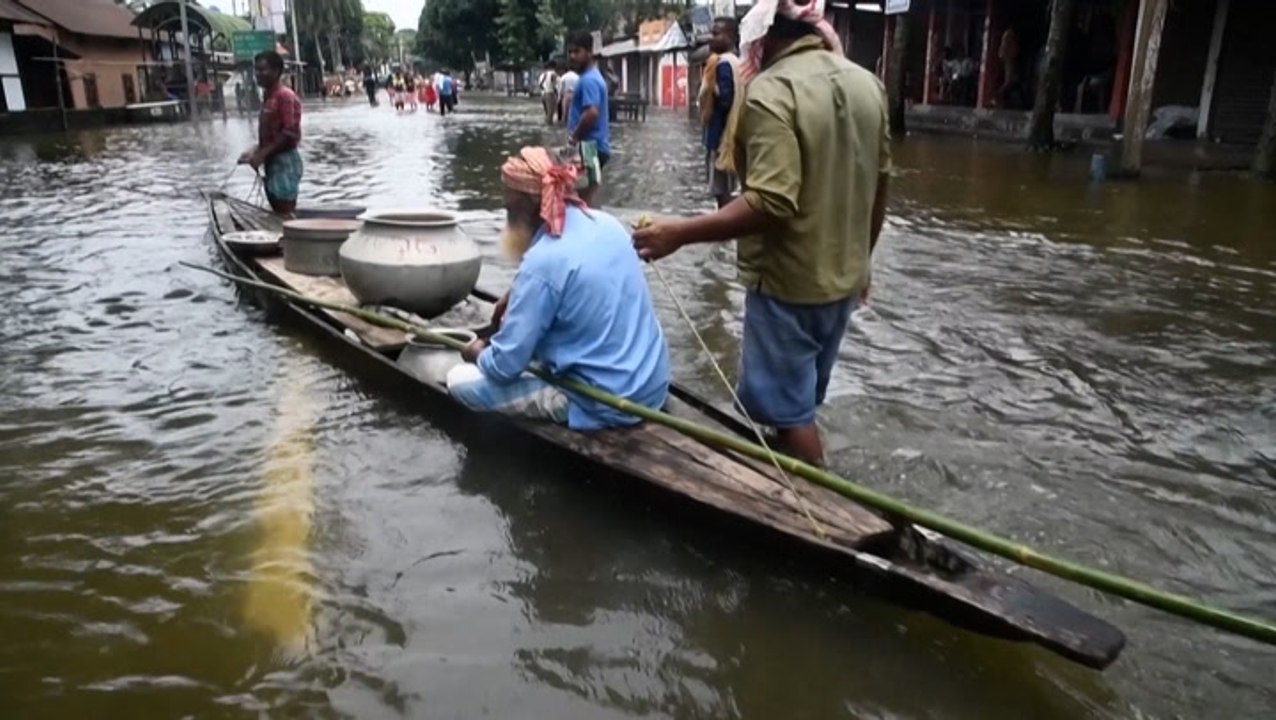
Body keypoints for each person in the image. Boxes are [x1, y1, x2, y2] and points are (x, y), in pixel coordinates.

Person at [632, 0, 891, 467]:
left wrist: (681, 234)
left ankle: (822, 510)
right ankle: (793, 483)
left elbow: (772, 200)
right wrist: (863, 262)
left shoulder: (773, 90)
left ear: (765, 40)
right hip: (844, 278)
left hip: (788, 282)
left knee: (789, 415)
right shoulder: (868, 85)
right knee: (800, 402)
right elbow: (880, 187)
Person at [446, 147, 670, 429]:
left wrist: (477, 352)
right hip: (651, 387)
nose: (507, 216)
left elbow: (503, 368)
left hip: (604, 404)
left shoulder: (542, 262)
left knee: (459, 379)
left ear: (526, 209)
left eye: (509, 209)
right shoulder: (607, 223)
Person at [239, 50, 303, 218]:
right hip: (273, 161)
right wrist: (255, 151)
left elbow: (289, 132)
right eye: (256, 70)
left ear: (276, 71)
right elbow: (272, 134)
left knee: (285, 211)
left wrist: (262, 154)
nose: (258, 74)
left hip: (285, 162)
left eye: (263, 70)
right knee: (277, 210)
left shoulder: (284, 96)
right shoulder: (269, 96)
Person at [699, 17, 742, 209]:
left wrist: (710, 86)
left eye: (717, 34)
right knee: (728, 189)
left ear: (731, 37)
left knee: (721, 192)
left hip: (720, 139)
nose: (711, 38)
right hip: (731, 137)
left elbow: (725, 99)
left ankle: (728, 230)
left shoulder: (723, 64)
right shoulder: (738, 62)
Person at [565, 31, 610, 205]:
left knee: (582, 201)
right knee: (585, 198)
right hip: (594, 148)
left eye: (577, 52)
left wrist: (574, 137)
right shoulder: (592, 77)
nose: (572, 56)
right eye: (570, 52)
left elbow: (591, 113)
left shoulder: (588, 81)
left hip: (589, 148)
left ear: (589, 52)